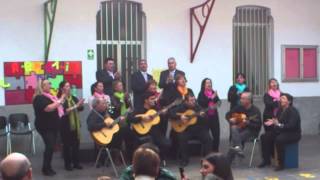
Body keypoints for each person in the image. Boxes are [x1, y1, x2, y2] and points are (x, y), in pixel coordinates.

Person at [258, 93, 301, 171]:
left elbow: (292, 126)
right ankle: (266, 160)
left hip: (293, 133)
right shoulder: (280, 110)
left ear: (289, 101)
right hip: (282, 131)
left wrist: (279, 124)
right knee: (264, 137)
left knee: (279, 139)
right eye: (281, 98)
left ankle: (281, 163)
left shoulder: (293, 111)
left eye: (283, 98)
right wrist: (273, 121)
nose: (281, 100)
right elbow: (278, 121)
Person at [168, 92, 212, 167]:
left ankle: (208, 159)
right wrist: (180, 117)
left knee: (208, 138)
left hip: (198, 130)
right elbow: (170, 113)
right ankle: (185, 160)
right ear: (186, 101)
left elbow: (206, 119)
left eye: (194, 100)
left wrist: (203, 116)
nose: (193, 102)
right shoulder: (181, 107)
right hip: (186, 130)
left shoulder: (198, 107)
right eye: (191, 101)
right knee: (181, 138)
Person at [32, 79, 65, 176]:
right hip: (44, 126)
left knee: (51, 147)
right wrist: (60, 99)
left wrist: (60, 100)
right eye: (48, 84)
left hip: (53, 125)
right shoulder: (39, 98)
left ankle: (48, 167)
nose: (50, 85)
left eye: (50, 83)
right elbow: (49, 108)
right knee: (49, 146)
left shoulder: (50, 96)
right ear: (42, 87)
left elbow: (56, 106)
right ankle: (45, 168)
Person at [127, 92, 171, 162]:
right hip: (143, 133)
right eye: (152, 99)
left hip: (155, 133)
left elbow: (161, 122)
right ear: (146, 100)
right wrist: (141, 118)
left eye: (154, 98)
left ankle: (158, 160)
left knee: (167, 144)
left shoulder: (155, 109)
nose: (154, 100)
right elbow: (129, 118)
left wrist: (164, 114)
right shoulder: (139, 109)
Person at [86, 97, 124, 167]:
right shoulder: (93, 114)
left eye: (105, 103)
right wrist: (104, 124)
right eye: (103, 103)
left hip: (108, 136)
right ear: (97, 105)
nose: (105, 105)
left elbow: (111, 123)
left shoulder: (106, 112)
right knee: (120, 135)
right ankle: (116, 156)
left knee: (121, 131)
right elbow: (90, 127)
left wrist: (119, 121)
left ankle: (116, 156)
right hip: (101, 138)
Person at [225, 92, 261, 160]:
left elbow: (258, 126)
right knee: (233, 127)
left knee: (235, 139)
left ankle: (227, 161)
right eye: (241, 98)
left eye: (242, 99)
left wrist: (248, 123)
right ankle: (239, 148)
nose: (240, 100)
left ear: (248, 100)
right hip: (241, 129)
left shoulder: (255, 111)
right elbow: (228, 114)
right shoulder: (239, 107)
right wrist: (231, 119)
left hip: (251, 131)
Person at [57, 81, 85, 171]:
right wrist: (76, 106)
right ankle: (67, 164)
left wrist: (80, 104)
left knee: (76, 145)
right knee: (67, 146)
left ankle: (76, 163)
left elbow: (80, 108)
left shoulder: (73, 97)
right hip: (65, 125)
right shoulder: (60, 99)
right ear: (62, 88)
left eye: (69, 86)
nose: (69, 88)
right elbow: (65, 111)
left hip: (75, 125)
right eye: (67, 86)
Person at [198, 78, 221, 152]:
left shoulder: (213, 92)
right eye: (207, 83)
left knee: (216, 135)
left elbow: (218, 101)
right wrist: (210, 98)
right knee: (206, 136)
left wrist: (217, 103)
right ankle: (206, 152)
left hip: (214, 116)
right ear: (204, 85)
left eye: (210, 82)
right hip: (205, 117)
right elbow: (202, 103)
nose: (209, 84)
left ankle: (216, 150)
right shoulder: (201, 93)